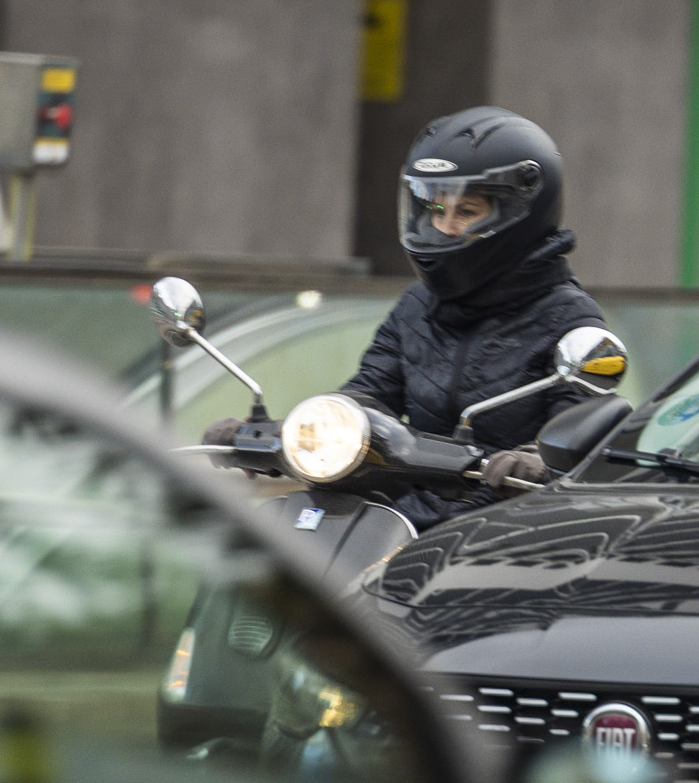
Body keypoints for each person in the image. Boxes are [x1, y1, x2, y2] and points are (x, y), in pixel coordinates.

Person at [219, 107, 601, 528]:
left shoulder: (569, 318)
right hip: (399, 523)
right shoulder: (418, 305)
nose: (445, 227)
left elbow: (581, 441)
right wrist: (279, 434)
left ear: (519, 211)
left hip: (503, 533)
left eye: (466, 211)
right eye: (437, 210)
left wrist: (535, 460)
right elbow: (367, 395)